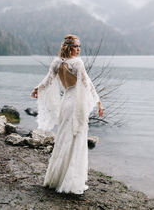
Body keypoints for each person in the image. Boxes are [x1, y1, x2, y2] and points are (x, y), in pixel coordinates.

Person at [31, 34, 104, 194]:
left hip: (66, 103)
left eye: (79, 47)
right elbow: (87, 83)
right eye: (76, 46)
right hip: (76, 104)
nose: (78, 49)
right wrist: (98, 101)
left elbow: (48, 80)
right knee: (76, 140)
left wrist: (37, 89)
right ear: (69, 47)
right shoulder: (77, 63)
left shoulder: (56, 62)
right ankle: (70, 183)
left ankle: (55, 179)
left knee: (64, 139)